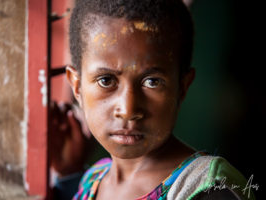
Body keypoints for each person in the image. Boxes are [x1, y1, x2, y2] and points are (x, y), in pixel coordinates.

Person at [53, 0, 256, 199]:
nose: (128, 109)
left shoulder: (209, 189)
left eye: (152, 82)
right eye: (106, 80)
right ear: (77, 86)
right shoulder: (94, 178)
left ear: (182, 87)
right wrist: (70, 175)